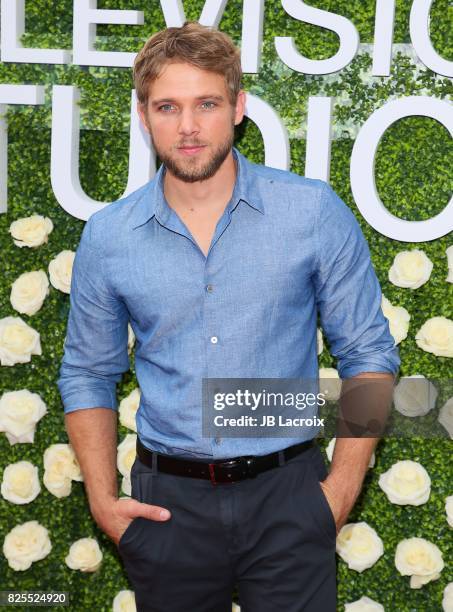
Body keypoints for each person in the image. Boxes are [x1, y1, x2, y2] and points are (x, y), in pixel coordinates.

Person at [57, 21, 400, 612]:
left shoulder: (311, 212)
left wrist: (338, 492)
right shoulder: (110, 237)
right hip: (167, 508)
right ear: (144, 115)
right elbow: (87, 372)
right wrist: (104, 503)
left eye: (206, 104)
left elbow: (368, 357)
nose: (188, 127)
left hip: (291, 496)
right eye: (167, 106)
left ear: (238, 106)